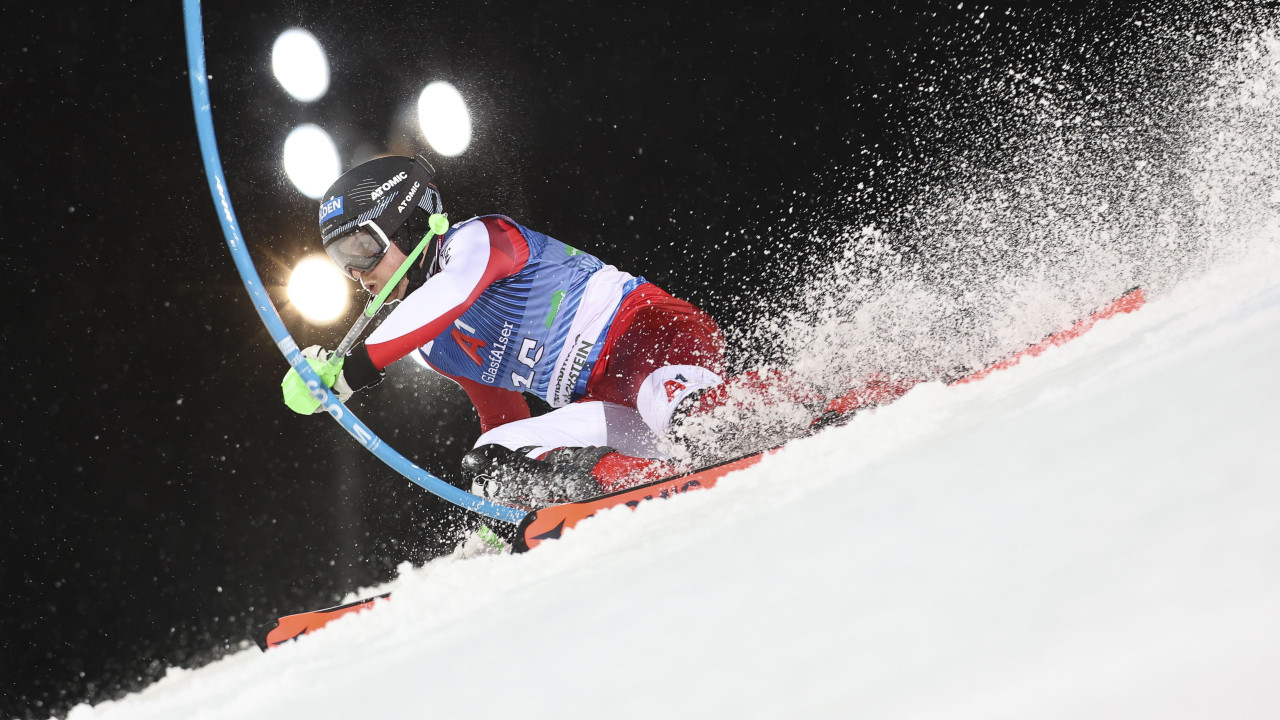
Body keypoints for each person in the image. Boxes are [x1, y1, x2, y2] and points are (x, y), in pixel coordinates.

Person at [284, 155, 908, 509]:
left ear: (408, 221)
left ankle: (825, 394)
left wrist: (353, 369)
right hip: (604, 403)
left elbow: (451, 293)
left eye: (364, 248)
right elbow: (502, 420)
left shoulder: (479, 238)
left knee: (684, 412)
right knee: (497, 464)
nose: (359, 273)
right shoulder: (434, 343)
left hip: (649, 337)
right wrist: (491, 512)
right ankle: (642, 478)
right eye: (344, 261)